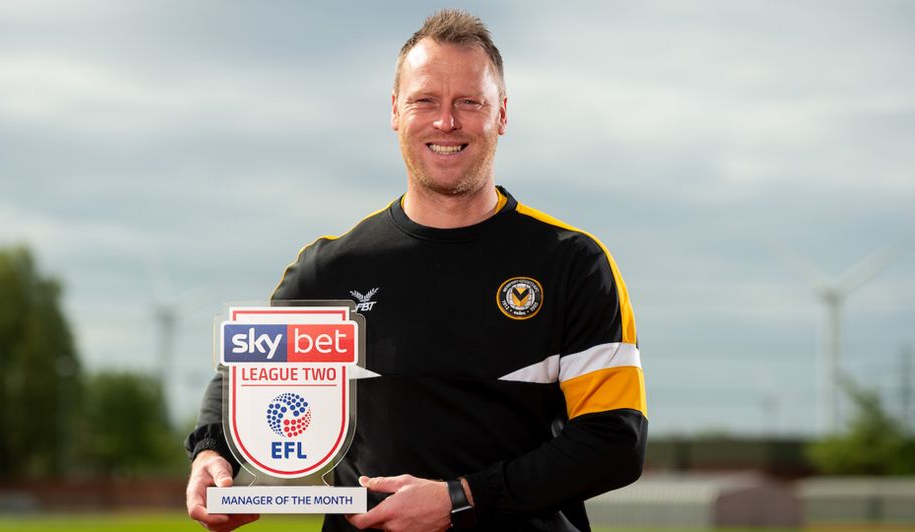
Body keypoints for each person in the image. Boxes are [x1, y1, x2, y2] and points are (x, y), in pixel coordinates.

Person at [185, 9, 647, 532]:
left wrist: (461, 498)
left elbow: (615, 442)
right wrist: (212, 456)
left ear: (501, 115)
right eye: (425, 100)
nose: (445, 122)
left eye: (468, 103)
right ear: (395, 111)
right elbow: (244, 378)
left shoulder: (572, 263)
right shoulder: (331, 269)